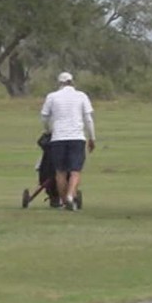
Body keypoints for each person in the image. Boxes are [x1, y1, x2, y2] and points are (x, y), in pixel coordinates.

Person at [39, 71, 96, 211]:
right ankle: (71, 196)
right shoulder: (81, 96)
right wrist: (92, 137)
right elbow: (88, 119)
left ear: (59, 83)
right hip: (77, 138)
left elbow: (44, 117)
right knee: (75, 171)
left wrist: (48, 130)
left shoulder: (52, 97)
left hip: (58, 138)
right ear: (72, 82)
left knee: (60, 172)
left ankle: (64, 201)